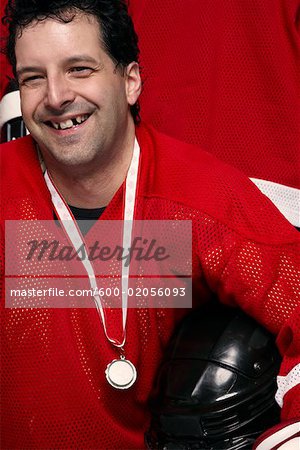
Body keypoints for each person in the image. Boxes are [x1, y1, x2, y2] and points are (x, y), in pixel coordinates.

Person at [0, 0, 299, 448]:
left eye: (80, 69)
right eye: (33, 78)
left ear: (130, 81)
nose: (57, 96)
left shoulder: (196, 198)